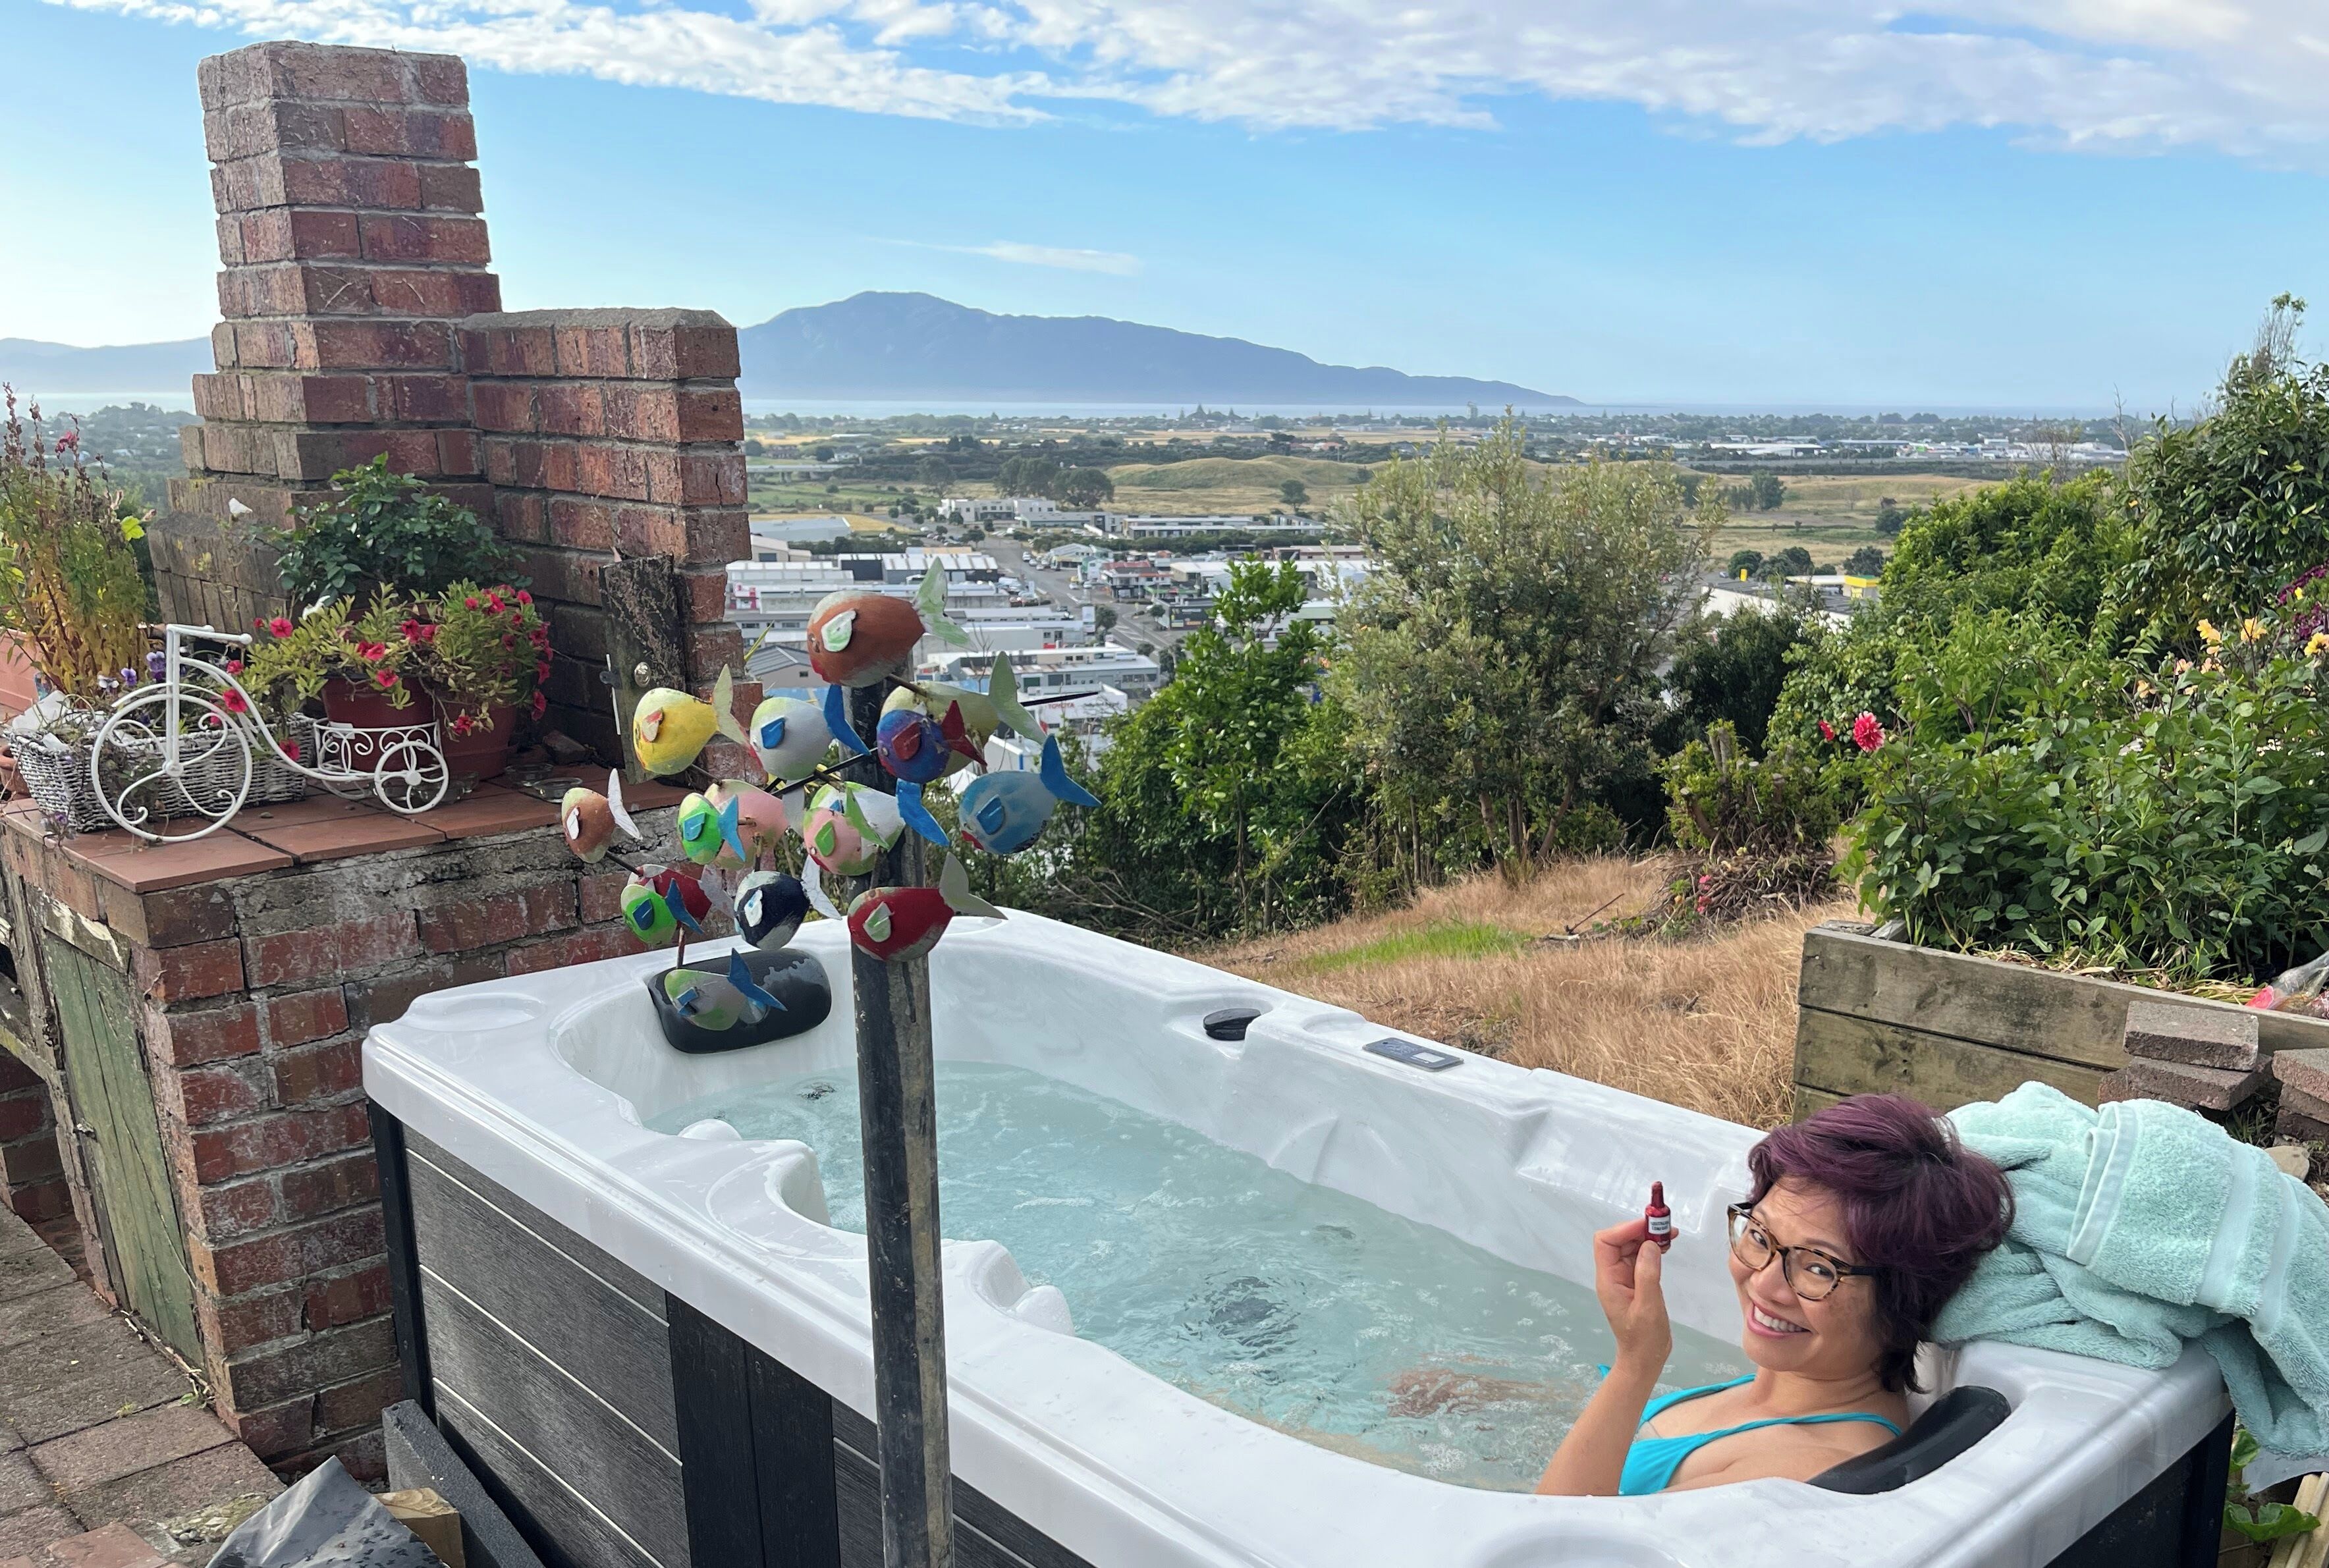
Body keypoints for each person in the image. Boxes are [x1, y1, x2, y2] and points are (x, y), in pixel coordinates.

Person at [1537, 1094, 2012, 1496]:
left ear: (1903, 1298)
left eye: (1819, 1267)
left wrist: (1636, 1363)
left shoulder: (1796, 1469)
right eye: (1760, 1236)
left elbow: (1554, 1547)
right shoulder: (1791, 1381)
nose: (1763, 1284)